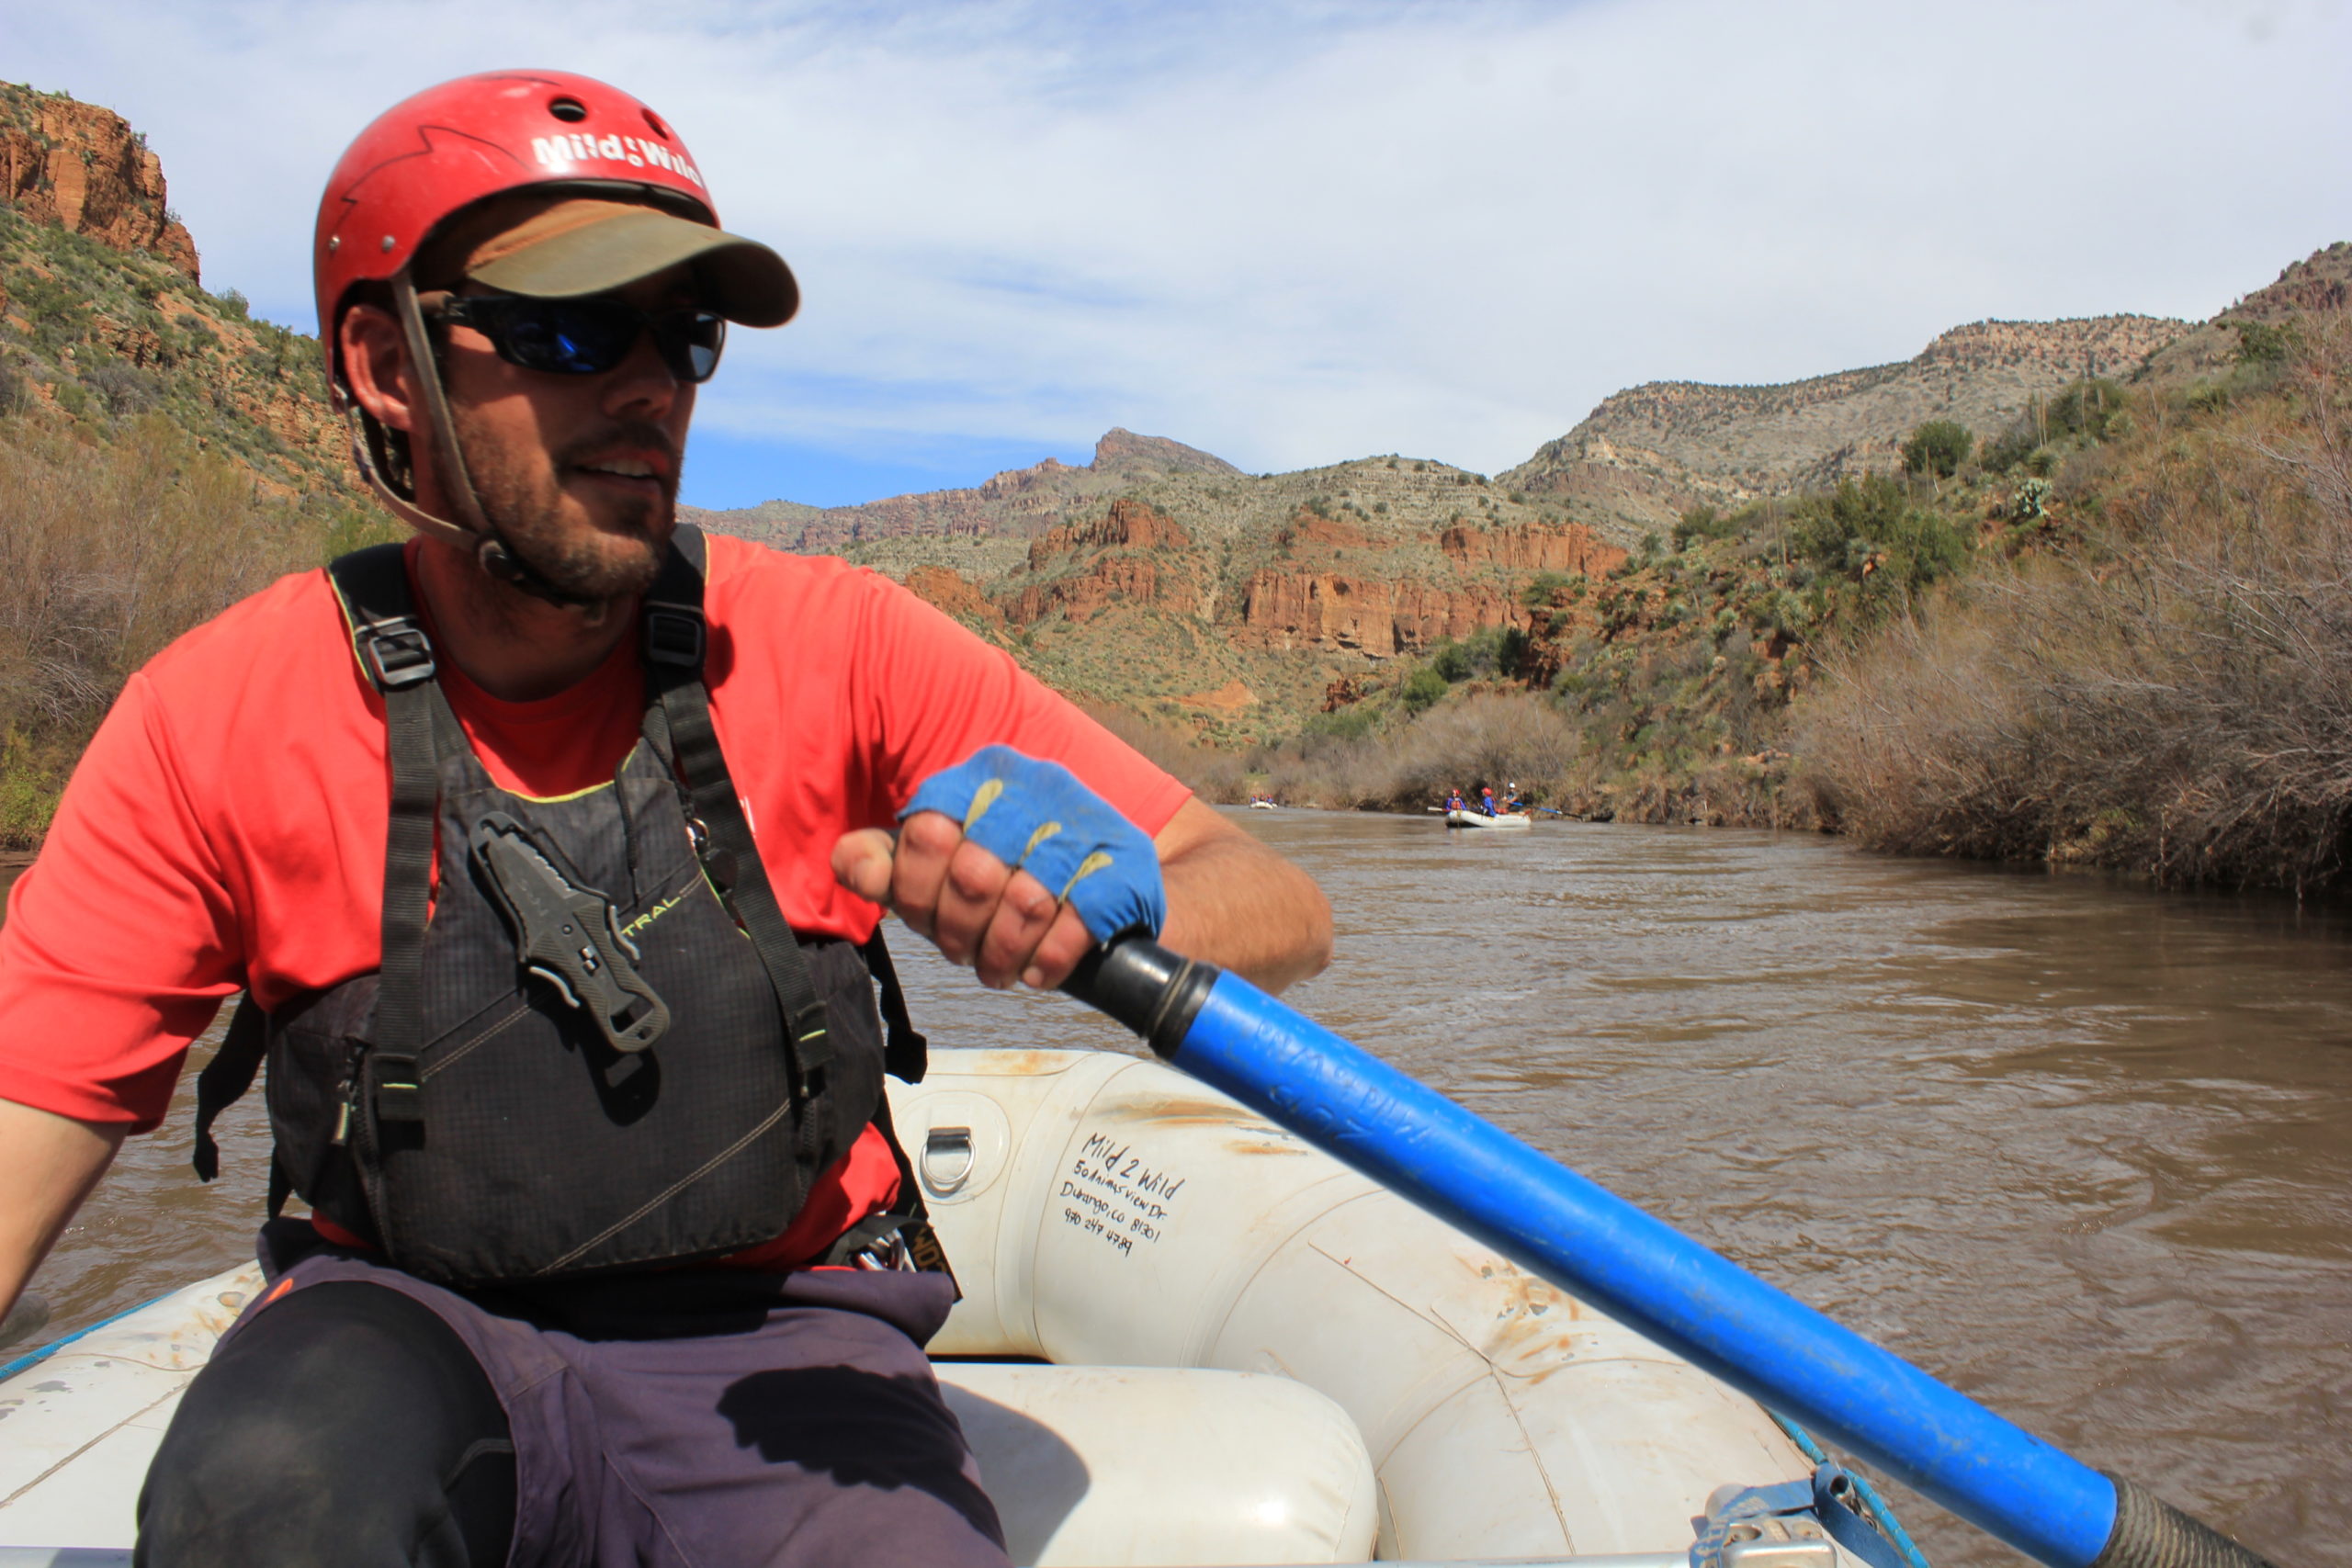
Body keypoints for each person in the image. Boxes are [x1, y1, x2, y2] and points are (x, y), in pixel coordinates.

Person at [0, 70, 1331, 1568]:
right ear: (385, 365)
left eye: (682, 335)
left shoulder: (841, 640)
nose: (649, 386)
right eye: (573, 329)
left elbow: (1279, 902)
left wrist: (1116, 891)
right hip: (399, 1332)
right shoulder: (214, 715)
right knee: (271, 1498)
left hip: (787, 1342)